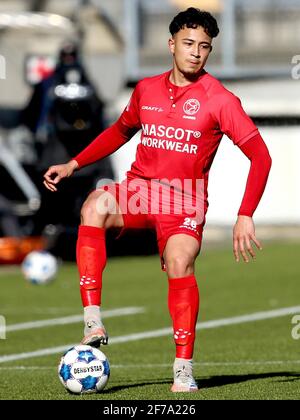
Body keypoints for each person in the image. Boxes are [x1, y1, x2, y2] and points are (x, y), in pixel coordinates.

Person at [43, 8, 272, 393]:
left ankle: (183, 369)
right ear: (171, 45)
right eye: (188, 44)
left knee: (181, 260)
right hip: (139, 191)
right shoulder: (146, 89)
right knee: (94, 205)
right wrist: (73, 163)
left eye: (204, 47)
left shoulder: (220, 99)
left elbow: (261, 156)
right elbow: (120, 130)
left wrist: (245, 214)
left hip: (184, 204)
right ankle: (92, 320)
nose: (196, 53)